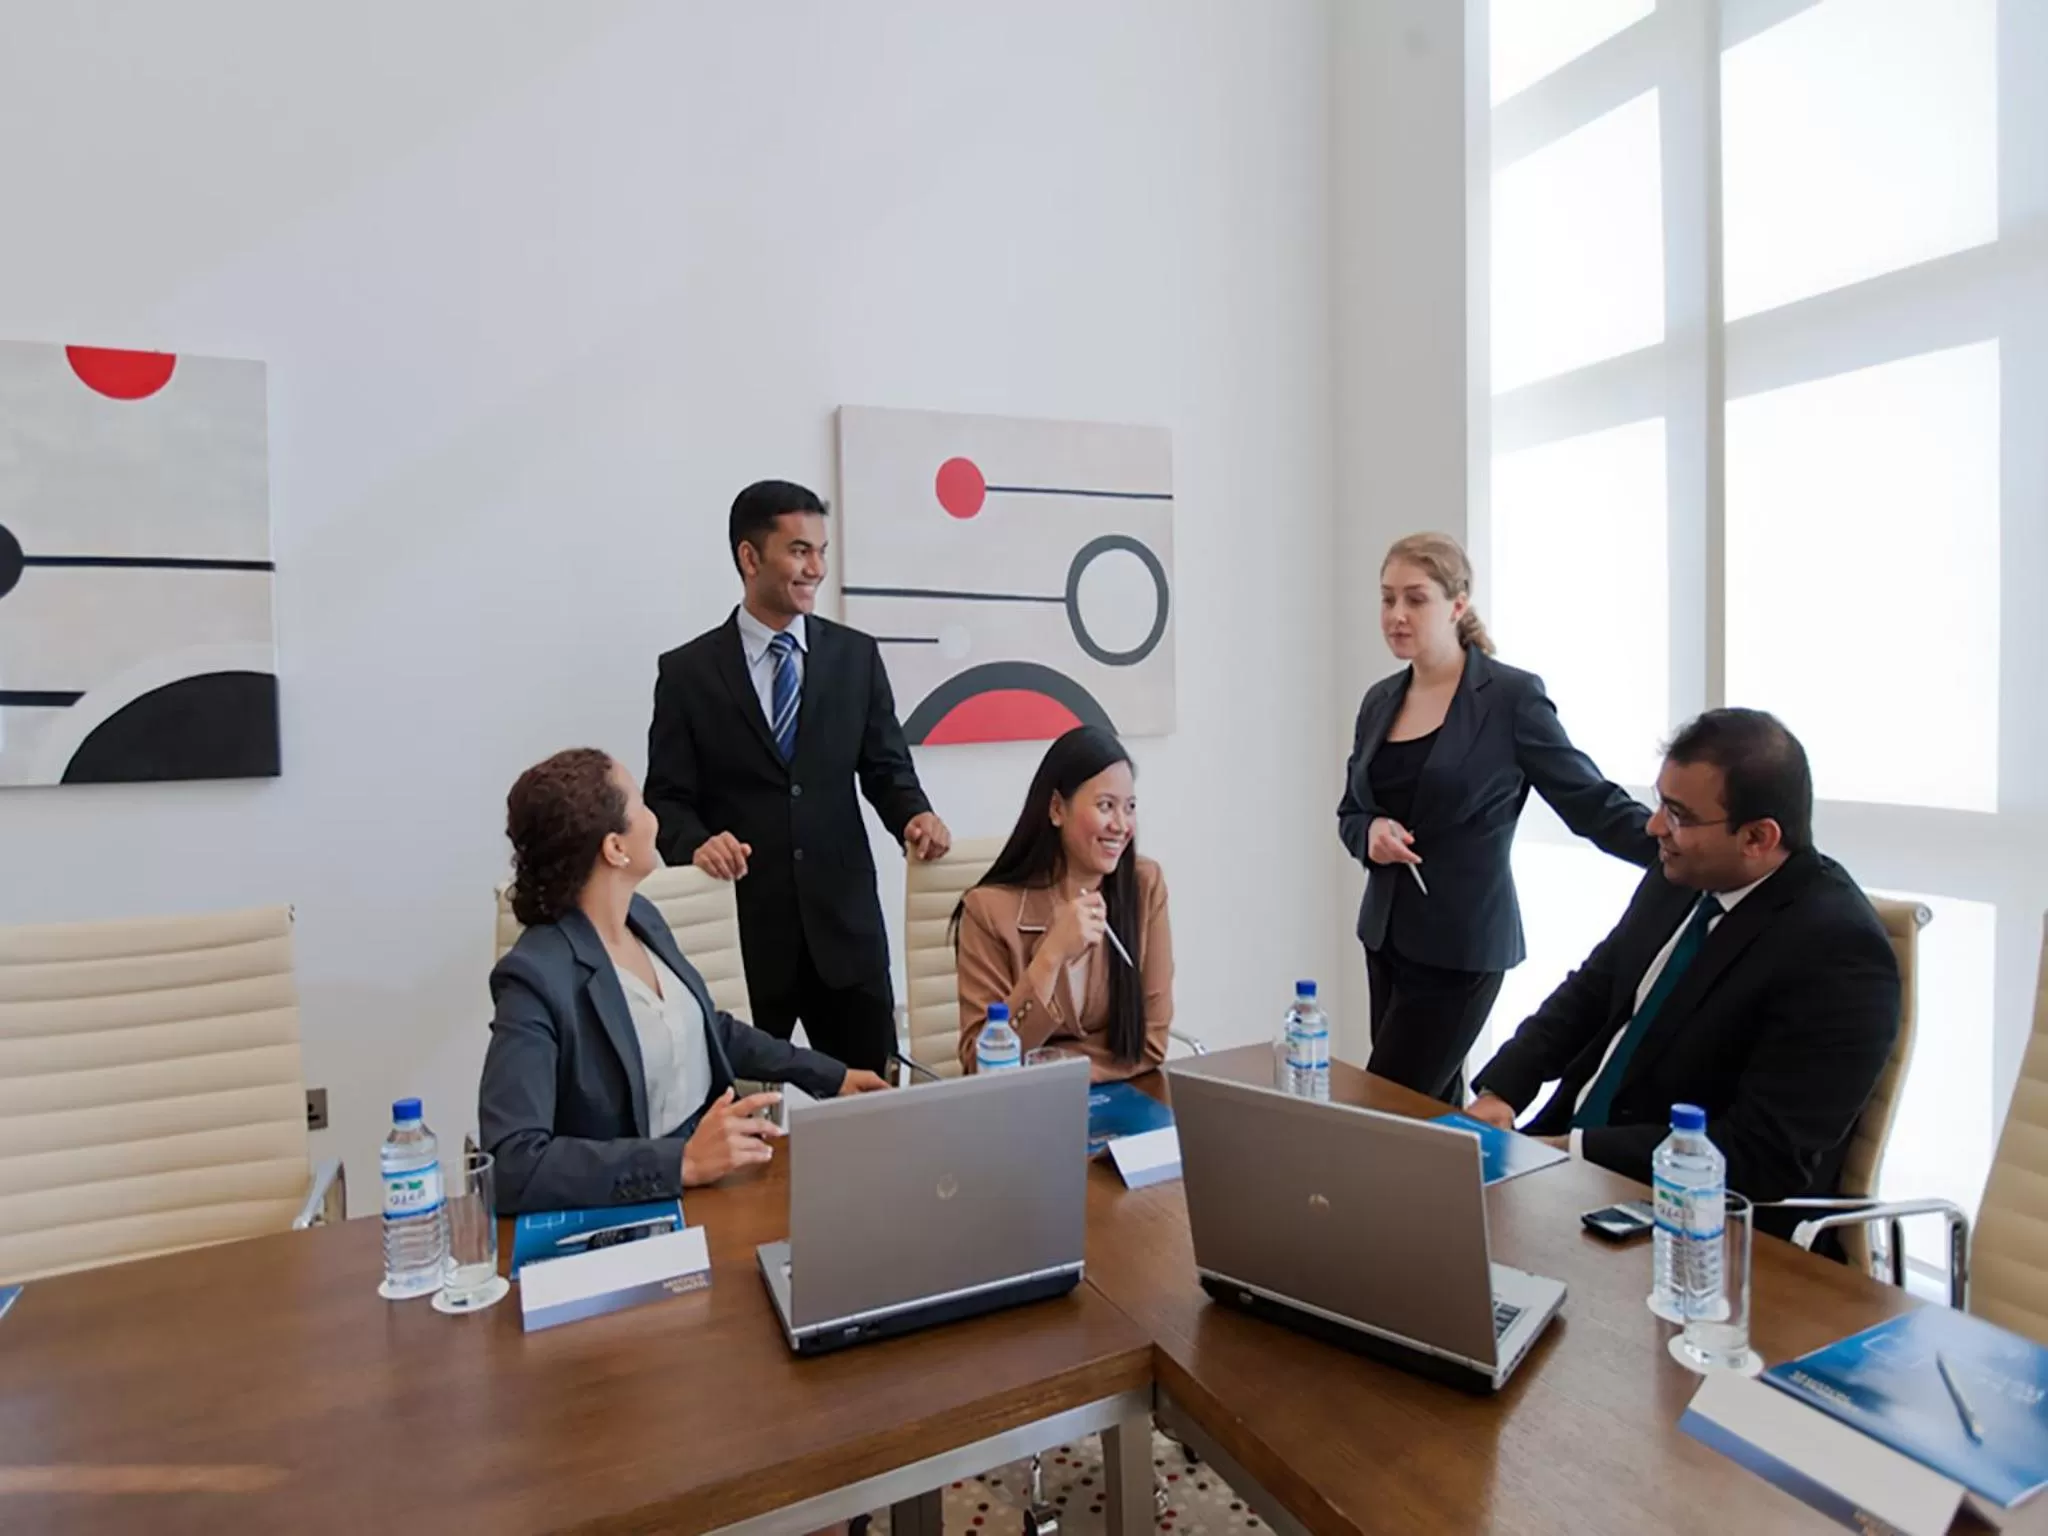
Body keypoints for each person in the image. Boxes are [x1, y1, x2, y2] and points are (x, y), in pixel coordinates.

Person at [1465, 710, 1901, 1241]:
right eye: (1659, 804)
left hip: (1688, 1226)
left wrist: (1570, 1151)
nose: (1653, 828)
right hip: (1569, 1171)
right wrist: (1501, 1090)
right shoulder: (1681, 874)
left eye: (1677, 815)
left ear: (1758, 837)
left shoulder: (1838, 952)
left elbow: (1760, 1154)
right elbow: (1592, 989)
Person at [479, 748, 889, 1215]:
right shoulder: (533, 977)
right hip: (636, 1207)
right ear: (615, 847)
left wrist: (829, 1075)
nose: (655, 817)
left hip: (718, 1181)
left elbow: (707, 1027)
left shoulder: (643, 919)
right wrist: (682, 1162)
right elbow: (512, 1165)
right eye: (641, 805)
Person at [645, 479, 951, 1074]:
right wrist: (695, 843)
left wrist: (913, 814)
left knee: (873, 1115)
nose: (816, 568)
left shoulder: (856, 657)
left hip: (847, 937)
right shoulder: (687, 674)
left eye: (822, 551)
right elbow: (666, 799)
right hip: (742, 944)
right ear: (749, 557)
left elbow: (887, 769)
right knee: (746, 1127)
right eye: (800, 551)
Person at [1338, 532, 1655, 1102]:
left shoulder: (1510, 698)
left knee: (1386, 1106)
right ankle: (1448, 1195)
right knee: (1428, 1110)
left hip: (1462, 946)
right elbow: (1352, 812)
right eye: (1387, 599)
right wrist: (1371, 833)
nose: (1396, 615)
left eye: (1416, 599)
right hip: (1386, 937)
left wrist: (1674, 849)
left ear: (1458, 605)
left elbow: (1589, 801)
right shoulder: (1379, 700)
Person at [953, 727, 1173, 1082]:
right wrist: (1052, 954)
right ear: (1057, 809)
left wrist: (1048, 1067)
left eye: (1129, 807)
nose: (1121, 825)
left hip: (1122, 1103)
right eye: (1106, 806)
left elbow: (1151, 1042)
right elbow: (981, 1062)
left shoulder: (1145, 887)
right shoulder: (987, 911)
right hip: (1019, 1113)